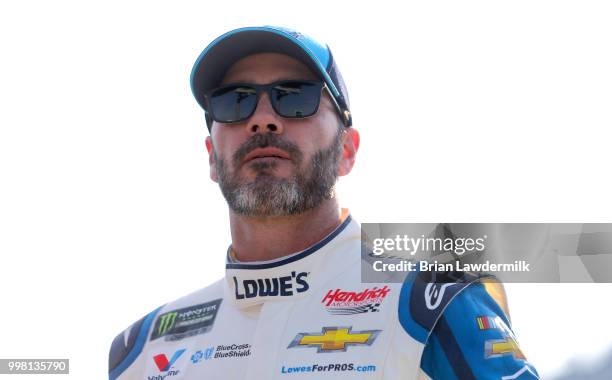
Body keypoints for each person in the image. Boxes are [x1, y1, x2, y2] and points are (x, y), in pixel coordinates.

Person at [108, 26, 539, 379]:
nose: (263, 118)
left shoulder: (433, 305)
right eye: (234, 101)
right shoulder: (142, 349)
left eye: (295, 96)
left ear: (347, 151)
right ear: (211, 158)